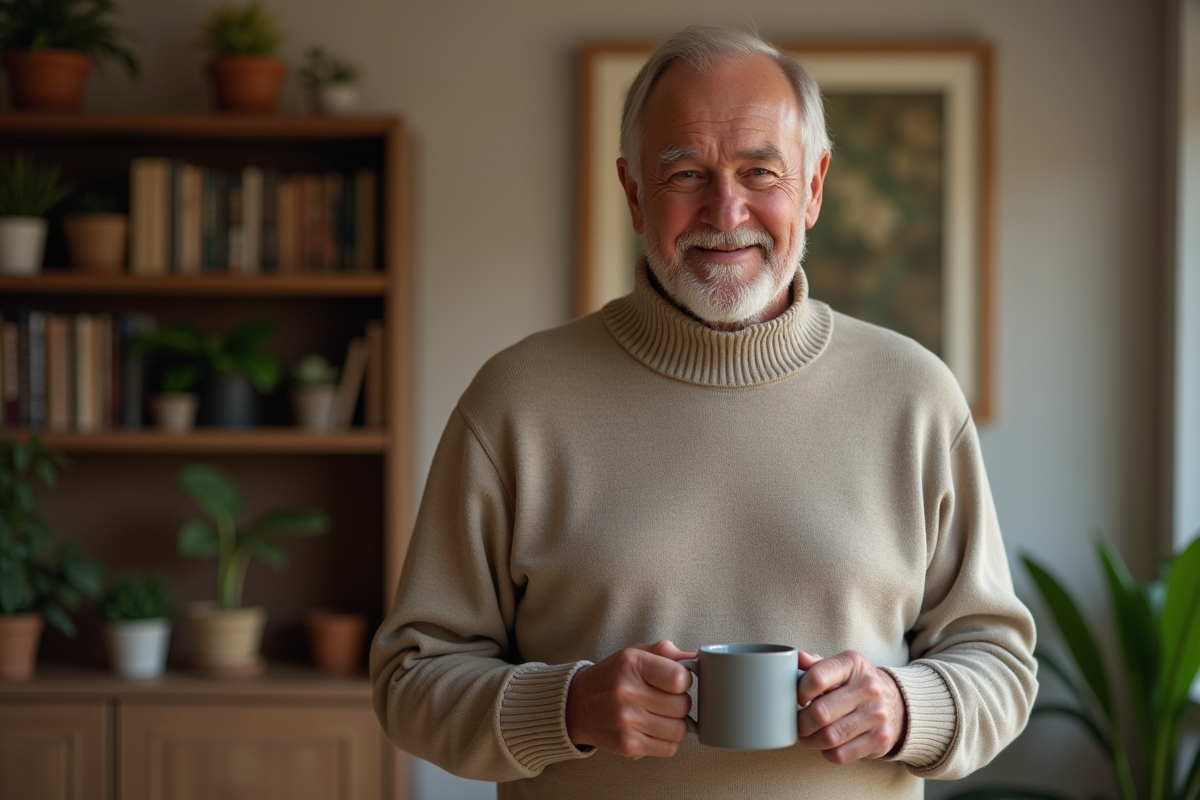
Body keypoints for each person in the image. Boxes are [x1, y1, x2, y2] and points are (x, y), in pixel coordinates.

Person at [370, 24, 1037, 800]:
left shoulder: (916, 396)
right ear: (632, 193)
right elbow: (411, 682)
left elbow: (997, 662)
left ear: (814, 187)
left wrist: (905, 706)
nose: (727, 209)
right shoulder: (515, 400)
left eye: (761, 171)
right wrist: (570, 707)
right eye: (686, 173)